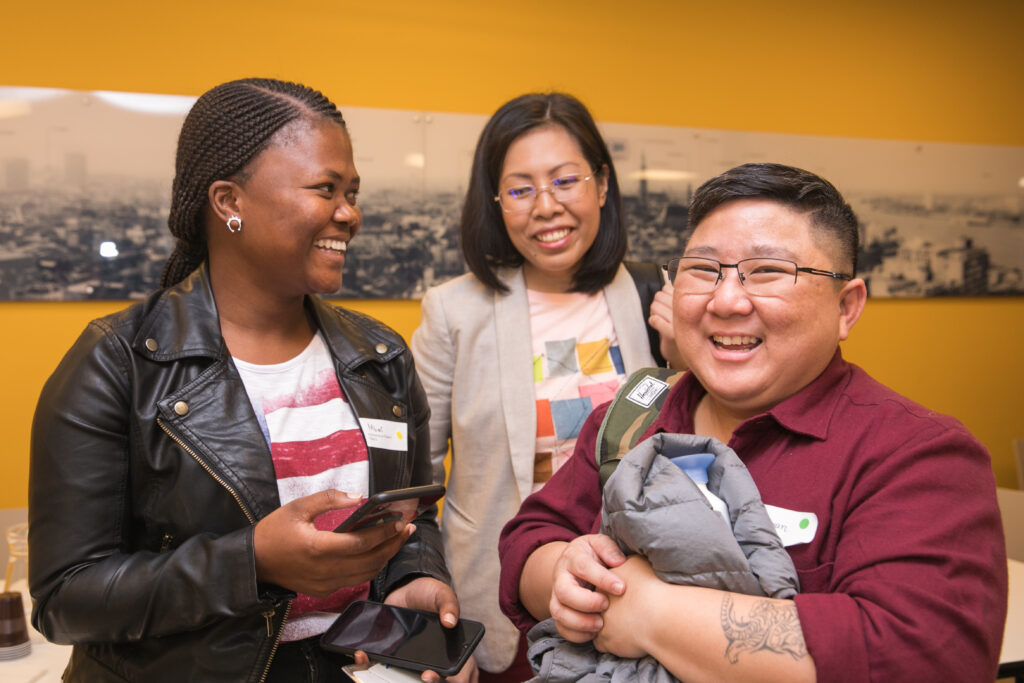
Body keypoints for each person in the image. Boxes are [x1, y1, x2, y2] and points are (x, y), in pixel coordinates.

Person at [29, 78, 474, 683]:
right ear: (229, 202)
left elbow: (410, 515)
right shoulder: (119, 364)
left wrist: (415, 578)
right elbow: (66, 599)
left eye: (352, 191)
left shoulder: (379, 356)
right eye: (326, 189)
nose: (350, 213)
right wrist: (252, 562)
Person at [499, 163, 1008, 681]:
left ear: (846, 307)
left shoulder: (918, 455)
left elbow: (921, 656)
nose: (725, 301)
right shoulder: (633, 414)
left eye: (767, 272)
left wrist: (650, 613)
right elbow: (530, 538)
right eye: (702, 270)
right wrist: (564, 573)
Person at [411, 92, 680, 681]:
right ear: (496, 201)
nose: (547, 207)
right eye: (521, 188)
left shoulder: (649, 295)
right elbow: (415, 487)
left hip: (636, 602)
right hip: (499, 614)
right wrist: (430, 622)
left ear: (602, 185)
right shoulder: (454, 312)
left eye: (565, 180)